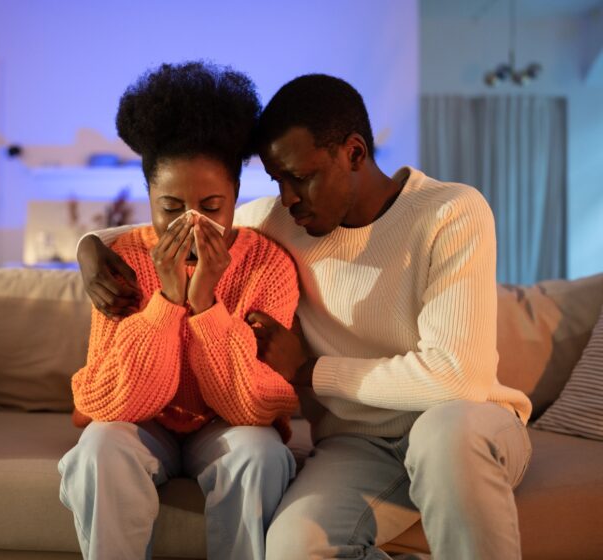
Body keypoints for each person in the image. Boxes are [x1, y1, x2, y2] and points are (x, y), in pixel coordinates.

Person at [77, 74, 534, 560]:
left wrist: (309, 371)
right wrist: (90, 249)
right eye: (278, 181)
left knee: (443, 437)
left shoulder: (451, 212)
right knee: (292, 549)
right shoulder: (285, 219)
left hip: (462, 424)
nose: (288, 196)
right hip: (358, 446)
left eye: (301, 177)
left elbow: (459, 379)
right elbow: (183, 222)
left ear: (354, 153)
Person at [57, 61, 300, 560]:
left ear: (236, 199)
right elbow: (111, 405)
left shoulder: (267, 265)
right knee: (99, 448)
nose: (190, 224)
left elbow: (253, 408)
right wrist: (167, 304)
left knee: (261, 454)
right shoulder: (121, 262)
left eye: (211, 207)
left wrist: (206, 304)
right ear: (148, 197)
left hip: (225, 425)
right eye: (170, 208)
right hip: (145, 425)